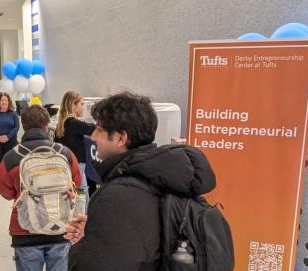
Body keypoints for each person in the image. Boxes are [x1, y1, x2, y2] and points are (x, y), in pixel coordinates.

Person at [66, 92, 217, 271]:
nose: (93, 137)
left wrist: (82, 246)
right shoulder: (163, 178)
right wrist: (96, 232)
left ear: (121, 138)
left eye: (99, 129)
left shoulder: (116, 196)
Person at [0, 104, 82, 271]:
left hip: (25, 230)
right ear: (47, 124)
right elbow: (76, 183)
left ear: (23, 125)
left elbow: (5, 191)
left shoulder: (12, 157)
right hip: (60, 228)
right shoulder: (65, 153)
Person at [55, 91, 96, 207]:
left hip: (67, 164)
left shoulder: (62, 123)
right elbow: (93, 128)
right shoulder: (73, 123)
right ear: (73, 105)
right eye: (81, 104)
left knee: (76, 191)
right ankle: (86, 218)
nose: (83, 108)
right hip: (77, 164)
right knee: (83, 191)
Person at [0, 93, 19, 185]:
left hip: (11, 141)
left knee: (11, 162)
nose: (4, 102)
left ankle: (11, 182)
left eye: (6, 100)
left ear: (8, 102)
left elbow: (17, 127)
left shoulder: (13, 114)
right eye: (2, 100)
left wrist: (8, 136)